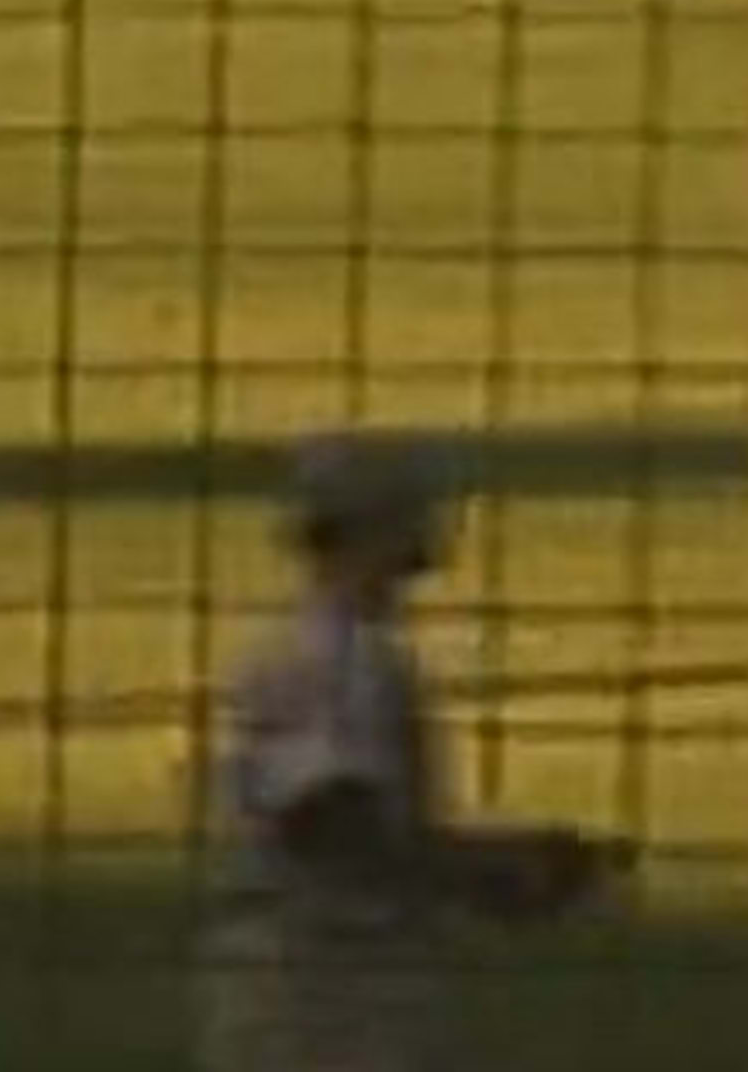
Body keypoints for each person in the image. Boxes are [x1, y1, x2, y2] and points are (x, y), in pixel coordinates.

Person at [196, 431, 630, 1072]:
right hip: (324, 998)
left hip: (332, 987)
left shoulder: (335, 649)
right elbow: (334, 828)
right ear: (373, 524)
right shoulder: (333, 659)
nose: (434, 520)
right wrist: (488, 872)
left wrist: (502, 866)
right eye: (413, 506)